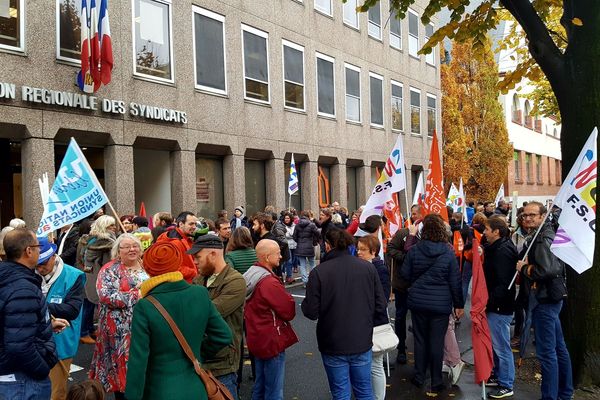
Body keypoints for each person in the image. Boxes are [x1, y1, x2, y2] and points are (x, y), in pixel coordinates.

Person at [125, 242, 232, 400]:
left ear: (148, 269)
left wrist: (133, 396)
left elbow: (138, 360)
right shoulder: (200, 294)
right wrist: (197, 353)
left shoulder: (145, 306)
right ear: (178, 263)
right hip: (196, 386)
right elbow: (224, 335)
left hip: (159, 390)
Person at [302, 229, 386, 400]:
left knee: (340, 392)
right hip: (361, 338)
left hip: (333, 341)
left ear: (327, 245)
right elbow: (381, 304)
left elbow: (311, 311)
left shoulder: (319, 272)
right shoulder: (367, 268)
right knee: (364, 390)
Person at [400, 214, 464, 393]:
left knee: (420, 340)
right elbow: (455, 281)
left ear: (423, 230)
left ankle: (419, 376)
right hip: (441, 305)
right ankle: (436, 380)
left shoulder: (414, 250)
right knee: (436, 342)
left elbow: (404, 274)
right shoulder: (448, 252)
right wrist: (459, 304)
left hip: (418, 302)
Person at [516, 202, 573, 400]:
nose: (528, 218)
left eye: (533, 215)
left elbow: (548, 270)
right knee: (559, 348)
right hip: (550, 298)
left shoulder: (542, 238)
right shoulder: (542, 234)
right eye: (525, 215)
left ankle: (551, 397)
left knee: (547, 353)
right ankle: (565, 393)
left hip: (545, 299)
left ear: (542, 216)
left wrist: (524, 268)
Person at [0, 229, 59, 399]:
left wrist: (44, 325)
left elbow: (13, 324)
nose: (40, 250)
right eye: (38, 246)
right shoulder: (22, 288)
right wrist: (41, 369)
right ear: (28, 251)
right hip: (21, 381)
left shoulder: (9, 278)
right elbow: (19, 347)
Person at [89, 234, 149, 400]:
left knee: (145, 371)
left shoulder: (147, 266)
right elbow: (105, 296)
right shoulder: (109, 269)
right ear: (118, 251)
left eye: (135, 245)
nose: (132, 249)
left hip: (146, 327)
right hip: (119, 334)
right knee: (122, 375)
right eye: (127, 247)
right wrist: (136, 295)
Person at [189, 235, 246, 399]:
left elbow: (207, 314)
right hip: (199, 359)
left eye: (198, 257)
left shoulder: (235, 281)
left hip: (222, 363)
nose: (195, 262)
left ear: (213, 254)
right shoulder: (199, 279)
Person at [244, 239, 298, 400]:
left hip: (256, 335)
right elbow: (288, 311)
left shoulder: (250, 273)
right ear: (267, 257)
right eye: (278, 253)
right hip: (271, 338)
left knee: (260, 384)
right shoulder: (268, 282)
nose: (281, 256)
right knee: (274, 390)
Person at [36, 236, 85, 400]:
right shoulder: (31, 272)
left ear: (53, 256)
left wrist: (36, 304)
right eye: (36, 263)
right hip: (33, 340)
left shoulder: (74, 275)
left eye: (43, 263)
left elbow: (71, 310)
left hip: (61, 342)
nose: (39, 268)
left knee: (55, 393)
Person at [483, 216, 517, 399]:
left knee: (501, 346)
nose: (484, 232)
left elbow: (503, 283)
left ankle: (506, 383)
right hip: (497, 304)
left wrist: (490, 302)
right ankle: (499, 375)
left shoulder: (502, 251)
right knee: (497, 344)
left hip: (499, 306)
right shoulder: (498, 248)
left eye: (487, 229)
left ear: (496, 231)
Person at [386, 204, 423, 365]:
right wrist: (404, 257)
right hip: (403, 284)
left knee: (419, 318)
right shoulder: (403, 233)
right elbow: (391, 249)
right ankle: (401, 348)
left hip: (420, 285)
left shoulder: (429, 235)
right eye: (412, 214)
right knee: (400, 315)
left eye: (417, 214)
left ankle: (422, 351)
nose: (414, 217)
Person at [356, 235, 390, 400]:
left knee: (375, 365)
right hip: (361, 324)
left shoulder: (380, 269)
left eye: (363, 249)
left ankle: (378, 397)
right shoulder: (360, 267)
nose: (359, 252)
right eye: (358, 248)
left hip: (374, 323)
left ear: (374, 251)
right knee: (364, 364)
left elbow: (382, 300)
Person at [81, 215, 118, 344]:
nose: (114, 228)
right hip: (99, 278)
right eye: (111, 225)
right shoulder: (107, 242)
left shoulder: (88, 239)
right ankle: (89, 332)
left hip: (88, 275)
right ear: (104, 227)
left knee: (88, 304)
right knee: (101, 307)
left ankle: (89, 329)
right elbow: (109, 264)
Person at [156, 211, 198, 283]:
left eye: (195, 224)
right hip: (182, 285)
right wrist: (194, 272)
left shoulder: (186, 238)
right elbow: (173, 268)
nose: (194, 227)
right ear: (181, 224)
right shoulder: (175, 242)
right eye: (191, 224)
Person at [293, 210, 319, 287]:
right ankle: (313, 280)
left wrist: (299, 241)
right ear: (308, 216)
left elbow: (294, 236)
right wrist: (314, 241)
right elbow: (318, 233)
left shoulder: (297, 225)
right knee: (312, 264)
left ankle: (305, 282)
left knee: (302, 265)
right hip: (310, 247)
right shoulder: (312, 225)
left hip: (300, 247)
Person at [282, 212, 297, 284]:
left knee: (293, 260)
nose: (286, 219)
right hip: (287, 245)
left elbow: (295, 234)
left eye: (288, 218)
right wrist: (291, 234)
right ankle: (289, 276)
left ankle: (286, 273)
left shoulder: (294, 225)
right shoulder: (282, 226)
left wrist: (291, 234)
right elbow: (287, 235)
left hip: (294, 245)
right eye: (285, 218)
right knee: (289, 261)